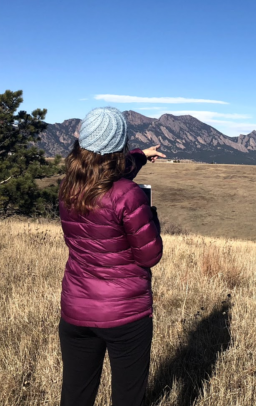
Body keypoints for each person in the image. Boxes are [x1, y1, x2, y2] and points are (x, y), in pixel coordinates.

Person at [57, 106, 166, 406]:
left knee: (75, 395)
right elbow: (150, 256)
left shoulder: (69, 185)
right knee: (128, 398)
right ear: (120, 147)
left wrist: (142, 155)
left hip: (76, 311)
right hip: (125, 315)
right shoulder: (129, 195)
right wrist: (151, 216)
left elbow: (106, 175)